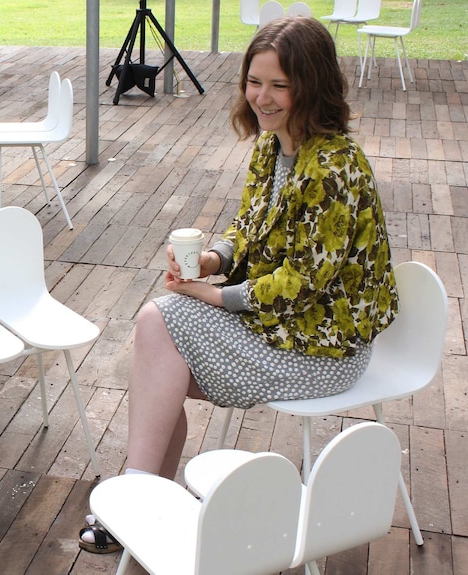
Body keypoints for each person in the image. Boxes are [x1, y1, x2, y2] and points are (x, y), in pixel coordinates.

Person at [78, 15, 398, 554]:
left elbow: (302, 284)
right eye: (255, 81)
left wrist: (217, 294)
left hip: (322, 347)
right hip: (280, 329)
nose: (262, 98)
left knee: (159, 336)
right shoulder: (273, 148)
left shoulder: (337, 168)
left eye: (280, 85)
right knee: (160, 348)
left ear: (311, 85)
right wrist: (208, 259)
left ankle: (136, 498)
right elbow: (246, 226)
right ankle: (144, 495)